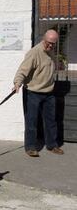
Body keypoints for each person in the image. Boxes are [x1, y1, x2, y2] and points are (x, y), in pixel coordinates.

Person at [13, 29, 64, 157]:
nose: (51, 46)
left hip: (49, 92)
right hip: (32, 93)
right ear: (43, 39)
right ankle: (30, 147)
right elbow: (22, 70)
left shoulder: (51, 52)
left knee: (51, 121)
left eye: (53, 43)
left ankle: (52, 145)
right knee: (31, 121)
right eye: (49, 43)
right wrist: (17, 83)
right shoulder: (34, 53)